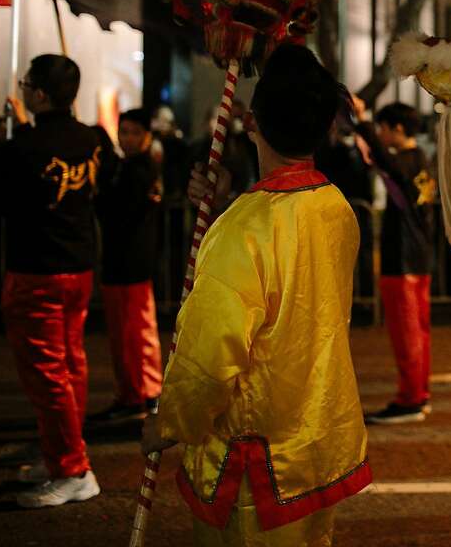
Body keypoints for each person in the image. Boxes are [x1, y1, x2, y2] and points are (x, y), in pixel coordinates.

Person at [141, 45, 371, 546]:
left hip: (253, 463)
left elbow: (210, 356)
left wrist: (172, 421)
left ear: (252, 122)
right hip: (312, 441)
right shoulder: (336, 209)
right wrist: (227, 204)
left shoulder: (242, 230)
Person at [0, 55, 101, 507]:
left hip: (37, 271)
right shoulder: (88, 139)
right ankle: (62, 452)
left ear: (38, 95)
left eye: (27, 85)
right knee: (69, 366)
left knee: (48, 374)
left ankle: (73, 469)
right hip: (78, 267)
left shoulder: (26, 148)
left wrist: (8, 139)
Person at [356, 101, 438, 424]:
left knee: (407, 334)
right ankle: (419, 393)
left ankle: (411, 398)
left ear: (398, 129)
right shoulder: (421, 160)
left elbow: (383, 160)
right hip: (418, 258)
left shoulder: (404, 161)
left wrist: (360, 121)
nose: (380, 133)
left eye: (383, 127)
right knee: (419, 332)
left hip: (402, 258)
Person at [89, 108, 164, 423]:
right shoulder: (133, 166)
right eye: (124, 131)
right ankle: (145, 390)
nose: (128, 138)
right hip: (129, 262)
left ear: (147, 136)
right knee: (137, 331)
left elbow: (115, 211)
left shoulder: (138, 169)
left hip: (129, 262)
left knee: (130, 333)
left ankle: (134, 394)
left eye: (134, 132)